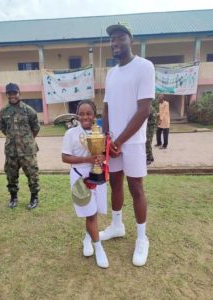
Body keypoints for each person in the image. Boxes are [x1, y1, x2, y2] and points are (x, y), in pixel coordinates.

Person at [101, 23, 155, 266]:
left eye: (120, 38)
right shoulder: (111, 73)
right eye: (112, 39)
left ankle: (142, 238)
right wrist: (106, 138)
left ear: (130, 39)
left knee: (136, 187)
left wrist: (120, 141)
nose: (115, 43)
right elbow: (106, 107)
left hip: (132, 142)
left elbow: (144, 110)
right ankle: (116, 225)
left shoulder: (144, 67)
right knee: (115, 183)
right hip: (113, 142)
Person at [62, 100, 109, 269]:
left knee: (94, 211)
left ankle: (87, 238)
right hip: (80, 177)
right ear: (77, 115)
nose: (85, 117)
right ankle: (98, 247)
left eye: (88, 113)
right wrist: (87, 159)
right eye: (81, 113)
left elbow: (105, 152)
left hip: (98, 175)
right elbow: (65, 157)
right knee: (90, 214)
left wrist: (101, 158)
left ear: (94, 115)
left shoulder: (101, 132)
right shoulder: (71, 134)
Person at [0, 83, 40, 209]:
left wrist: (26, 140)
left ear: (19, 93)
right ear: (7, 95)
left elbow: (36, 128)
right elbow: (3, 128)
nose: (12, 96)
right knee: (11, 175)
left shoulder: (29, 110)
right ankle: (13, 197)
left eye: (14, 93)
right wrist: (14, 139)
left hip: (27, 151)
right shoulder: (3, 112)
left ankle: (34, 198)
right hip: (11, 151)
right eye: (9, 93)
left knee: (32, 175)